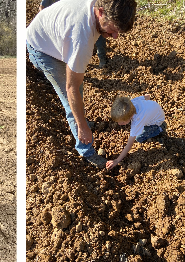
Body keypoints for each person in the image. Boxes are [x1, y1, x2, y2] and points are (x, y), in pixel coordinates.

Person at [26, 0, 137, 169]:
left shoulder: (99, 6)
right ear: (101, 12)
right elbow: (71, 89)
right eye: (113, 30)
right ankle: (85, 149)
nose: (114, 36)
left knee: (77, 86)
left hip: (53, 33)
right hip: (41, 47)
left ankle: (82, 122)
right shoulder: (81, 37)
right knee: (71, 96)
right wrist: (82, 125)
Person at [38, 0, 108, 68]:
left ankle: (102, 59)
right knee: (73, 45)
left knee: (99, 38)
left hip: (85, 17)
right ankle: (74, 65)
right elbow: (42, 6)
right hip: (66, 22)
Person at [106, 94, 167, 170]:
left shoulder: (137, 121)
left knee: (139, 138)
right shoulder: (131, 103)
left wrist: (117, 160)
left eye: (122, 122)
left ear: (130, 117)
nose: (119, 124)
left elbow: (130, 144)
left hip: (158, 122)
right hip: (158, 111)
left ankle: (160, 129)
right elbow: (147, 96)